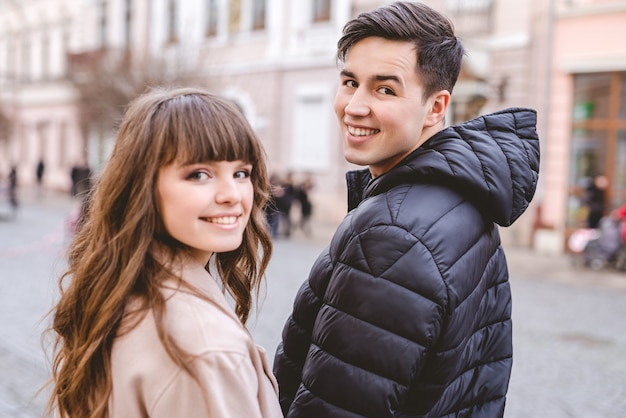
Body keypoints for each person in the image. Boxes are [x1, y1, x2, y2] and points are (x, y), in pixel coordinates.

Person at [273, 2, 540, 417]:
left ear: (436, 107)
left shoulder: (394, 233)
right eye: (349, 82)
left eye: (385, 89)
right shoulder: (457, 200)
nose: (354, 106)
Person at [46, 87, 282, 418]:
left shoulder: (119, 286)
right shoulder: (206, 347)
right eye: (200, 174)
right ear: (143, 186)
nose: (233, 194)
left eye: (241, 172)